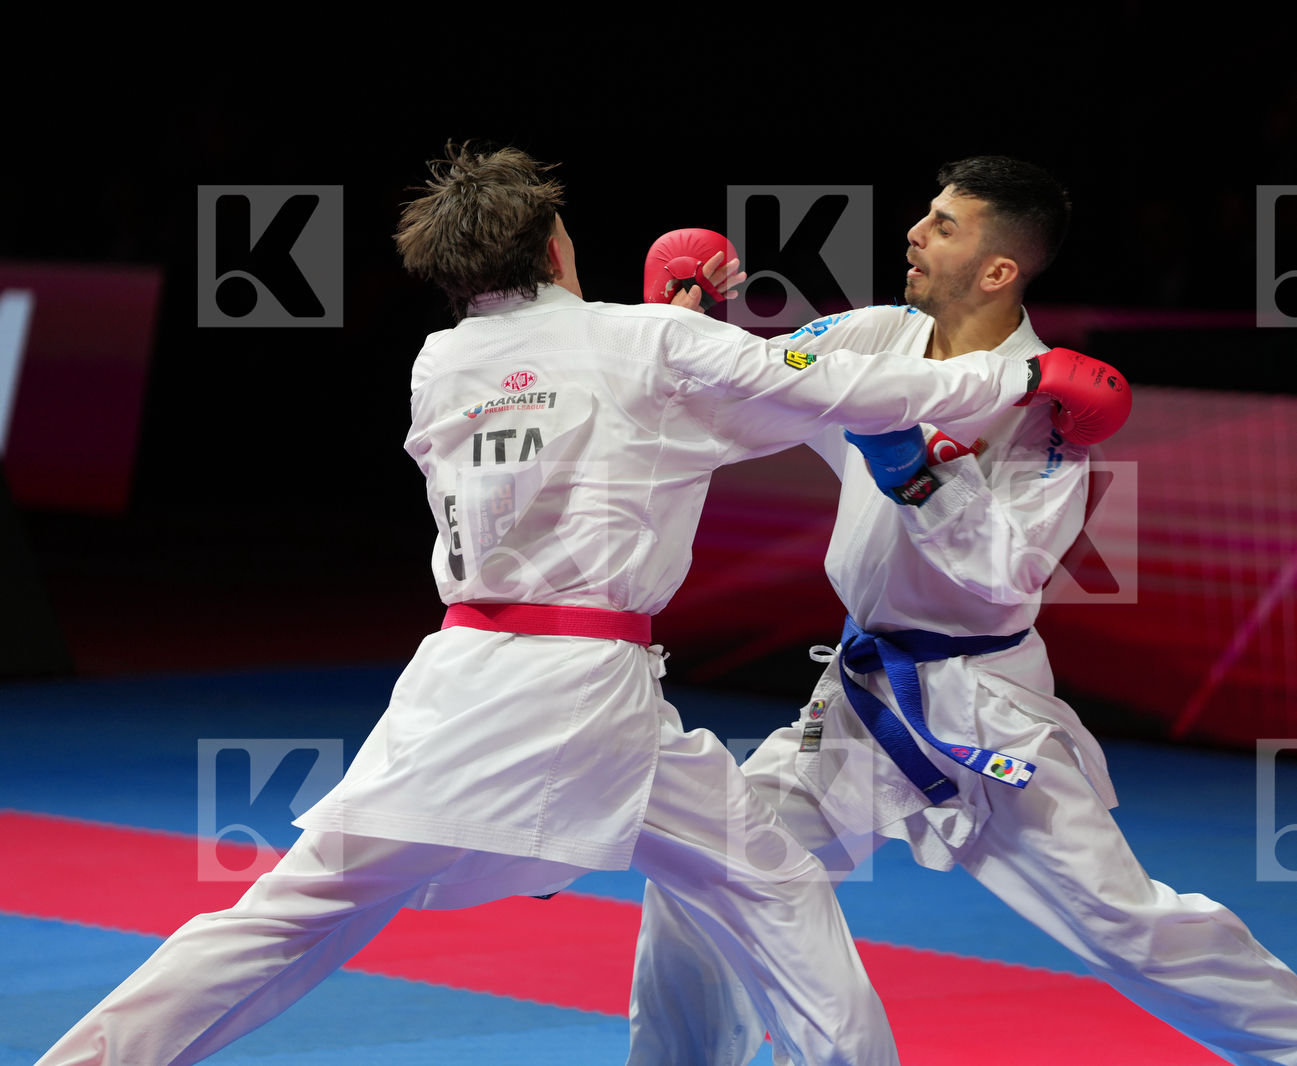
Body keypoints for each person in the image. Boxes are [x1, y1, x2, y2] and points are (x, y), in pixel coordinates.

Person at [33, 144, 1098, 1066]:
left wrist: (679, 336)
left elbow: (600, 414)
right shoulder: (642, 343)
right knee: (776, 899)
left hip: (463, 682)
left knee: (290, 916)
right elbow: (843, 393)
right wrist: (1022, 377)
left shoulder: (440, 362)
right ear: (553, 248)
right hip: (588, 688)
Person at [627, 157, 1297, 1066]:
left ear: (1000, 270)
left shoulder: (1054, 408)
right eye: (926, 214)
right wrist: (681, 322)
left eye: (945, 224)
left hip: (984, 705)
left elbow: (1007, 573)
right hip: (859, 693)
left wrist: (915, 474)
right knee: (703, 866)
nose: (914, 232)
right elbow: (750, 382)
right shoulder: (870, 338)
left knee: (1121, 923)